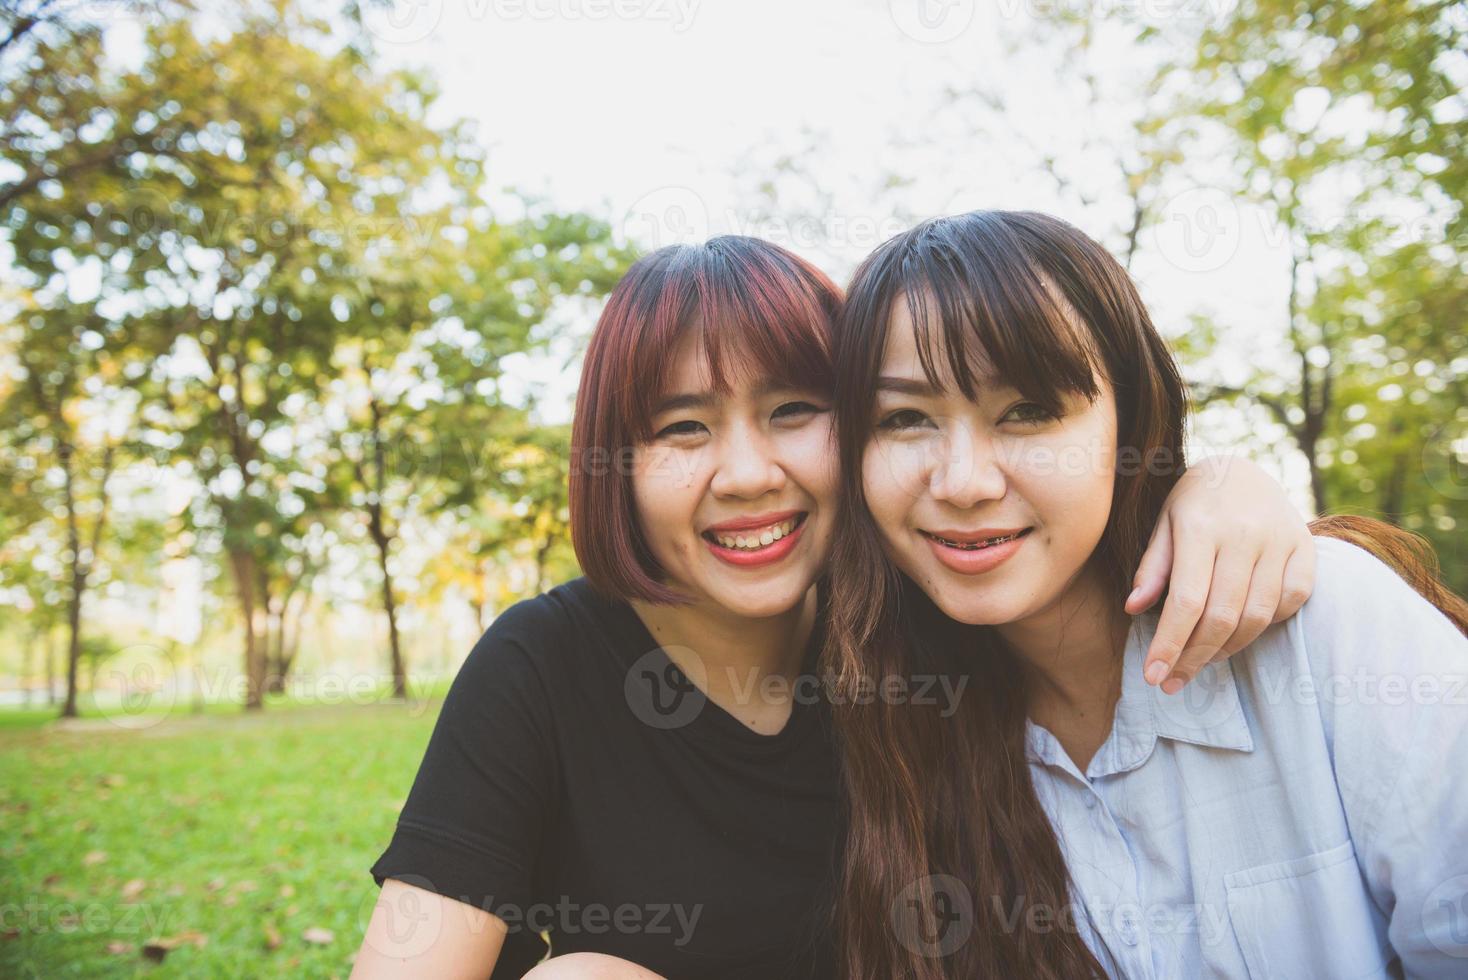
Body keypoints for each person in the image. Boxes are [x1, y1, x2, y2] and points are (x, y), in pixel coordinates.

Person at [350, 236, 1321, 980]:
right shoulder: (545, 660)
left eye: (790, 411)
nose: (745, 473)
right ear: (618, 461)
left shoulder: (935, 623)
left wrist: (1219, 484)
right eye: (682, 427)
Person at [827, 209, 1468, 979]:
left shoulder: (1319, 623)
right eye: (904, 418)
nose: (963, 482)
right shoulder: (882, 730)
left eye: (1027, 411)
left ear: (1133, 420)